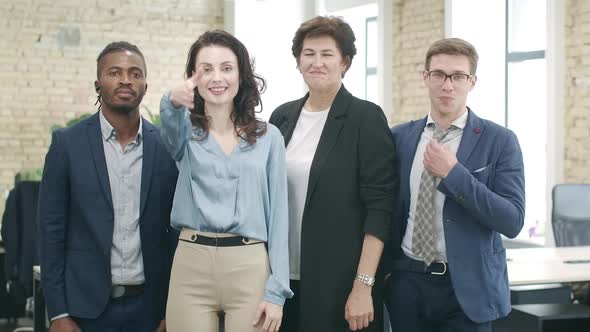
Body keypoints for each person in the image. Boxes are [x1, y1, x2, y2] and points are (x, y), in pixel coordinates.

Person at [385, 37, 526, 331]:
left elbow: (511, 220)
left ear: (471, 81)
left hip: (468, 291)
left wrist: (454, 174)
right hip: (407, 284)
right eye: (439, 74)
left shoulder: (499, 141)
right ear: (425, 77)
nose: (447, 85)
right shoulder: (399, 138)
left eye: (458, 76)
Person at [38, 41, 179, 332]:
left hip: (149, 310)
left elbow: (174, 235)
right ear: (98, 84)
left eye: (135, 73)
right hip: (84, 311)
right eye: (115, 72)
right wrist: (58, 312)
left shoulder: (166, 146)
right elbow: (50, 232)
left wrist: (170, 308)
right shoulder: (67, 145)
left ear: (145, 86)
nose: (126, 79)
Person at [269, 16, 399, 332]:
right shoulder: (281, 117)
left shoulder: (365, 118)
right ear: (298, 62)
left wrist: (363, 286)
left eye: (327, 54)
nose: (317, 62)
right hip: (282, 284)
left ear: (345, 62)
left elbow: (380, 209)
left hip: (340, 286)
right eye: (309, 54)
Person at [160, 30, 292, 332]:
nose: (216, 77)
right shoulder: (184, 133)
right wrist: (171, 100)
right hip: (191, 265)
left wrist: (277, 290)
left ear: (241, 75)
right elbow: (168, 129)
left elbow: (279, 217)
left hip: (250, 265)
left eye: (226, 68)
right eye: (206, 69)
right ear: (194, 77)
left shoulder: (269, 137)